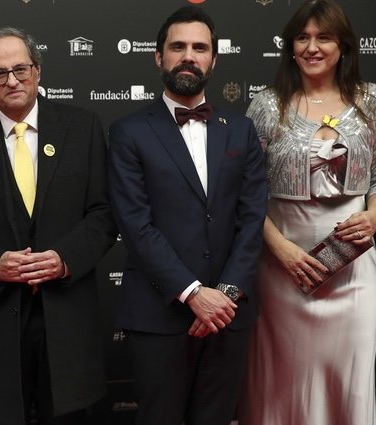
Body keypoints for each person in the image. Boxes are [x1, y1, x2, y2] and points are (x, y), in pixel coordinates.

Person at [0, 27, 116, 425]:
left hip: (67, 320)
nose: (12, 80)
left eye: (21, 69)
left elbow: (104, 214)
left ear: (38, 70)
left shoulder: (83, 128)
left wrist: (64, 259)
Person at [107, 6, 267, 425]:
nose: (189, 56)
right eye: (178, 46)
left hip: (228, 317)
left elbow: (252, 220)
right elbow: (136, 225)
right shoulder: (128, 132)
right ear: (158, 57)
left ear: (214, 59)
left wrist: (225, 296)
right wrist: (195, 294)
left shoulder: (241, 130)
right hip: (160, 315)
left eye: (200, 47)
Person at [237, 1, 376, 424]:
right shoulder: (267, 106)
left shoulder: (372, 101)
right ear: (290, 47)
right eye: (303, 38)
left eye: (324, 37)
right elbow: (247, 194)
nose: (312, 47)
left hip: (354, 273)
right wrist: (280, 250)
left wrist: (373, 217)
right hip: (281, 271)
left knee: (349, 379)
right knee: (282, 382)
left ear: (343, 45)